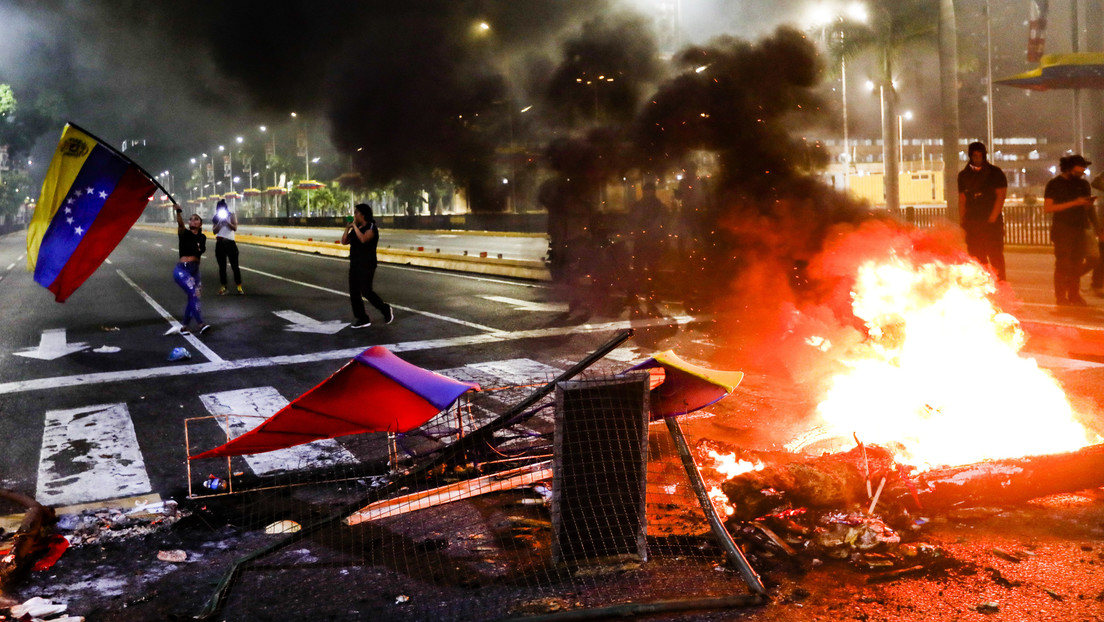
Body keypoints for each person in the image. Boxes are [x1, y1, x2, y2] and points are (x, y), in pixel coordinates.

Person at [1043, 154, 1102, 306]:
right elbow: (1048, 208)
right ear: (1068, 169)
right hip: (1063, 228)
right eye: (1076, 173)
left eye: (1082, 173)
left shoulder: (1083, 184)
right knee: (1063, 263)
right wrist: (1074, 203)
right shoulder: (1055, 184)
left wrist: (1097, 227)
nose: (1079, 176)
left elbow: (1089, 210)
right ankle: (1061, 297)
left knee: (1077, 263)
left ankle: (1074, 295)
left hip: (1080, 227)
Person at [958, 142, 1008, 281]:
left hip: (991, 223)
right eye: (975, 155)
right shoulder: (964, 175)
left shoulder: (995, 173)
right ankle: (982, 285)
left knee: (995, 255)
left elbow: (1001, 195)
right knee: (976, 257)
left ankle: (1000, 285)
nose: (978, 158)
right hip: (973, 222)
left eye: (980, 155)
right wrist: (963, 221)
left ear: (984, 155)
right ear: (970, 156)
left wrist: (992, 218)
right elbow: (962, 199)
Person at [342, 203, 394, 328]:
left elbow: (364, 239)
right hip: (354, 263)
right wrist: (347, 228)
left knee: (366, 291)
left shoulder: (371, 227)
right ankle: (362, 318)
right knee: (354, 292)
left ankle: (385, 309)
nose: (354, 215)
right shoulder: (356, 228)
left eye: (356, 213)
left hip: (367, 263)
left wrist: (354, 226)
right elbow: (344, 241)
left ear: (363, 214)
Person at [172, 205, 211, 334]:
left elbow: (200, 250)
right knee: (193, 293)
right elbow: (180, 225)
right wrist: (178, 212)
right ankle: (200, 324)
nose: (192, 221)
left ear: (201, 224)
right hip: (182, 270)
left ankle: (184, 327)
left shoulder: (202, 237)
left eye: (196, 219)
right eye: (190, 219)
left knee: (193, 296)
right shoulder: (184, 233)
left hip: (195, 271)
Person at [628, 180, 670, 295]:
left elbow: (665, 223)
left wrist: (664, 236)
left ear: (653, 192)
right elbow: (632, 220)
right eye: (646, 191)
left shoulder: (659, 206)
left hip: (654, 239)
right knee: (639, 266)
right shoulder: (638, 206)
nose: (647, 193)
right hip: (642, 239)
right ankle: (639, 288)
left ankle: (653, 289)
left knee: (653, 266)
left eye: (649, 191)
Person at [212, 199, 243, 295]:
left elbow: (234, 228)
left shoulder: (231, 215)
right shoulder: (216, 218)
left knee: (235, 266)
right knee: (222, 267)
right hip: (220, 243)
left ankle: (239, 286)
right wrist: (220, 223)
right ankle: (224, 286)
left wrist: (227, 222)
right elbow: (214, 231)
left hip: (230, 243)